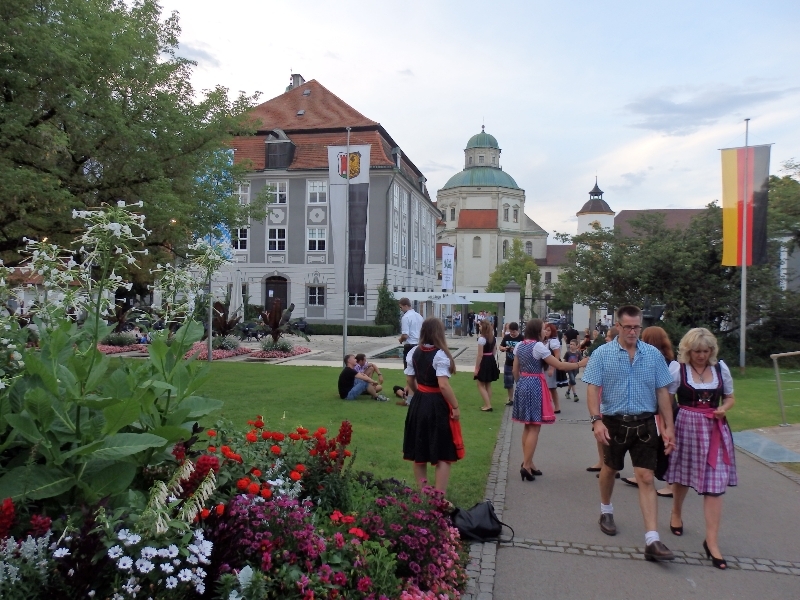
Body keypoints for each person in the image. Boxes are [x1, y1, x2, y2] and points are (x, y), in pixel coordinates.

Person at [582, 305, 676, 562]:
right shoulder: (603, 353)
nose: (633, 332)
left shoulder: (653, 355)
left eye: (637, 327)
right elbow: (592, 389)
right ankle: (606, 509)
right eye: (628, 327)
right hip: (613, 422)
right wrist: (596, 421)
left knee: (646, 477)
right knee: (610, 469)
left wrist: (668, 427)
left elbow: (662, 392)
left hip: (645, 423)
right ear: (618, 327)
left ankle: (652, 540)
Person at [666, 328, 737, 569]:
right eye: (697, 351)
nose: (701, 356)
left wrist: (724, 408)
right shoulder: (678, 369)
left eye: (706, 351)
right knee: (683, 476)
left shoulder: (720, 369)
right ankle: (676, 512)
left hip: (714, 429)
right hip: (686, 425)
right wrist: (667, 429)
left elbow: (729, 397)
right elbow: (666, 399)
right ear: (688, 350)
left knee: (715, 486)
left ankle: (712, 542)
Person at [513, 319, 586, 481]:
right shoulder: (538, 346)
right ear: (537, 331)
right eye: (543, 329)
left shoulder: (520, 345)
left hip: (523, 383)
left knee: (527, 426)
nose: (545, 331)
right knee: (535, 427)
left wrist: (521, 383)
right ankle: (526, 465)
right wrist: (579, 364)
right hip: (535, 384)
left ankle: (529, 462)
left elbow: (514, 370)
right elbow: (559, 365)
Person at [403, 317, 462, 493]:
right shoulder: (440, 354)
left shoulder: (413, 351)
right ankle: (438, 498)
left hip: (419, 402)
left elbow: (409, 380)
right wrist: (456, 406)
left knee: (419, 450)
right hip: (436, 403)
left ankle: (424, 494)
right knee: (443, 451)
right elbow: (443, 385)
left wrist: (418, 391)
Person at [620, 326, 677, 499]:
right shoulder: (668, 361)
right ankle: (644, 475)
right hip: (651, 407)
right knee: (648, 445)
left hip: (660, 409)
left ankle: (671, 485)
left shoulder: (662, 362)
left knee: (664, 445)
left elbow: (666, 390)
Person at [473, 320, 500, 411]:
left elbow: (480, 355)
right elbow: (494, 352)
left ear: (483, 327)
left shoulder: (482, 339)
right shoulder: (493, 338)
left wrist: (477, 367)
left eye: (480, 326)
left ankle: (488, 405)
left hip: (484, 360)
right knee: (488, 384)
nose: (479, 327)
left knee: (480, 384)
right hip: (491, 360)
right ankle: (487, 403)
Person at [499, 322, 522, 406]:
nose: (512, 333)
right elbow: (500, 347)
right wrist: (505, 348)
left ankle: (520, 399)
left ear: (517, 330)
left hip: (520, 364)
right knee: (508, 382)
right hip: (508, 362)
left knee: (520, 382)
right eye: (511, 331)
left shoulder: (522, 338)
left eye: (514, 332)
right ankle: (511, 399)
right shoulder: (507, 337)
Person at [398, 298, 424, 370]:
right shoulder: (419, 316)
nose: (401, 309)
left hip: (410, 346)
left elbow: (405, 335)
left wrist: (401, 339)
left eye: (401, 307)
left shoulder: (405, 317)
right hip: (419, 346)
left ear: (406, 306)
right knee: (418, 371)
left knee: (409, 371)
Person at [543, 323, 562, 414]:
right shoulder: (544, 341)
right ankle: (548, 406)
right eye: (545, 330)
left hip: (550, 366)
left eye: (549, 330)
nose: (546, 332)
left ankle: (556, 407)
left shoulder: (553, 341)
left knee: (552, 388)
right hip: (544, 366)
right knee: (546, 387)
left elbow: (557, 355)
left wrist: (552, 368)